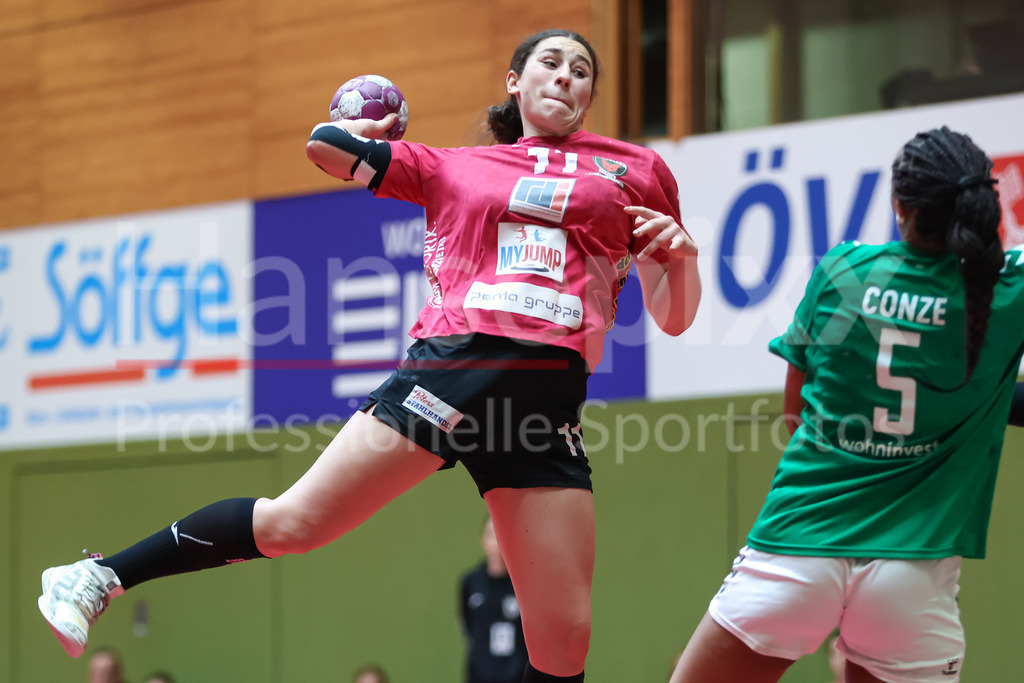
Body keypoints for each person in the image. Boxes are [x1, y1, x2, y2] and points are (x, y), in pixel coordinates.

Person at [36, 28, 701, 683]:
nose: (565, 77)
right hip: (457, 368)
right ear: (515, 82)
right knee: (294, 521)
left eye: (581, 70)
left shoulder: (635, 170)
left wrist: (679, 256)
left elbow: (675, 315)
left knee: (564, 646)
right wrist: (367, 135)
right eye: (550, 63)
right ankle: (99, 575)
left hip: (546, 406)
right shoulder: (454, 166)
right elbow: (326, 148)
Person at [670, 126, 1024, 683]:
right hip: (913, 574)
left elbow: (796, 415)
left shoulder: (843, 271)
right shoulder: (1009, 288)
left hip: (797, 549)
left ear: (898, 205)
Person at [460, 516, 529, 683]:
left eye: (502, 536)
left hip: (517, 674)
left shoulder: (524, 583)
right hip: (479, 674)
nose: (497, 543)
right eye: (492, 535)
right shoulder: (471, 582)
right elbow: (468, 626)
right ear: (483, 539)